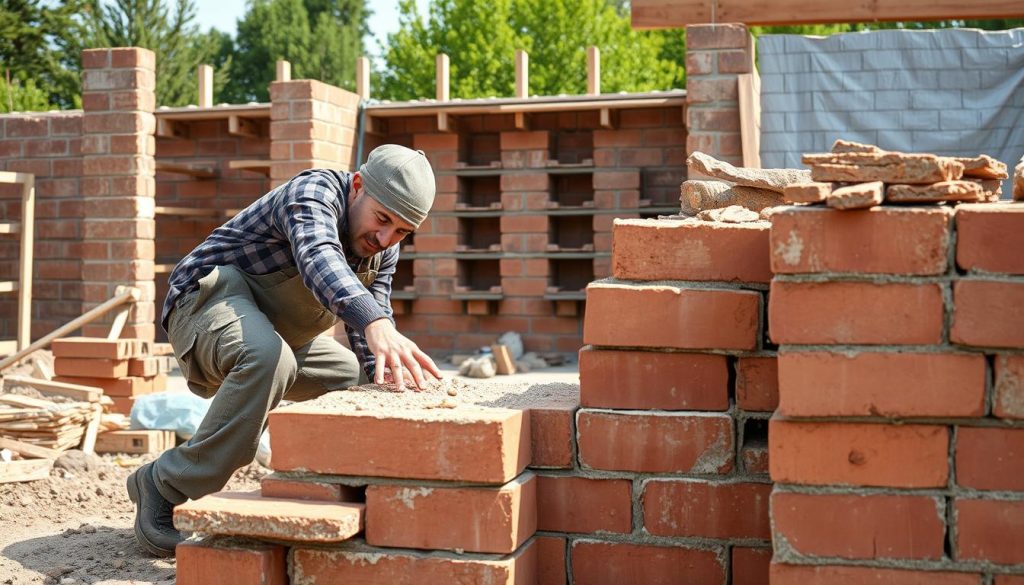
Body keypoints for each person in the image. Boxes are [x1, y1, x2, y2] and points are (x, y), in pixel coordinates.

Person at [126, 144, 443, 557]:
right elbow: (318, 257)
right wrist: (376, 322)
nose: (385, 238)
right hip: (203, 305)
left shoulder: (382, 249)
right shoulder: (313, 193)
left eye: (401, 232)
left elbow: (373, 324)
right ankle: (164, 485)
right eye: (382, 219)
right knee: (267, 357)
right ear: (358, 186)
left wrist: (392, 379)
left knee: (359, 382)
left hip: (274, 333)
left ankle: (334, 488)